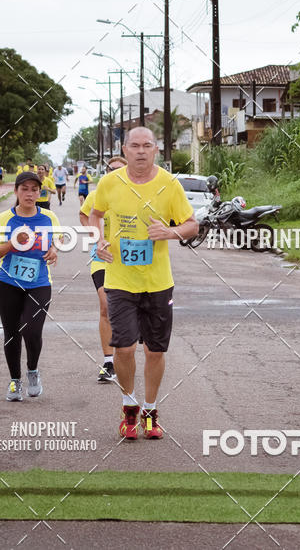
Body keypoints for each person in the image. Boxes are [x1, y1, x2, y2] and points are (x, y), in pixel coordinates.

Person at [89, 127, 198, 440]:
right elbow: (94, 215)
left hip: (158, 282)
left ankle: (151, 410)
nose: (140, 151)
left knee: (154, 350)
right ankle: (129, 405)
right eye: (134, 146)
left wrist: (170, 233)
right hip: (120, 280)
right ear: (124, 150)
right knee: (122, 348)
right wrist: (97, 241)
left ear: (156, 149)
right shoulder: (109, 182)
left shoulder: (169, 184)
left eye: (146, 145)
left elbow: (192, 224)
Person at [0, 171, 60, 401]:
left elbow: (57, 241)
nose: (30, 193)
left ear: (40, 192)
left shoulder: (48, 217)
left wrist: (54, 250)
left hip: (39, 283)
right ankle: (15, 381)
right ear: (16, 191)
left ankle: (33, 371)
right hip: (8, 283)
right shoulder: (4, 218)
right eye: (24, 189)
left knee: (31, 329)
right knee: (11, 333)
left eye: (34, 189)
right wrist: (12, 243)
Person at [79, 155, 126, 383]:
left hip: (129, 258)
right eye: (111, 169)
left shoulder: (136, 197)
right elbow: (83, 213)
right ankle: (109, 362)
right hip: (101, 256)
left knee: (129, 307)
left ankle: (126, 354)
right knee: (105, 304)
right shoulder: (96, 195)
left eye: (119, 169)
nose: (114, 173)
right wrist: (95, 235)